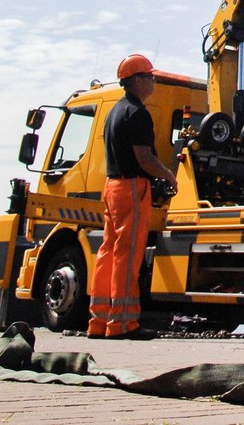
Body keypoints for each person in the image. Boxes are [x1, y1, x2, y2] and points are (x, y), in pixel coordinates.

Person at [88, 52, 177, 339]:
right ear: (137, 80)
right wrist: (168, 174)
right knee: (128, 256)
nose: (152, 82)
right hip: (131, 188)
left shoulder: (114, 111)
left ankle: (98, 322)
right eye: (149, 77)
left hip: (112, 187)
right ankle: (123, 324)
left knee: (108, 252)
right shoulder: (137, 114)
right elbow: (145, 158)